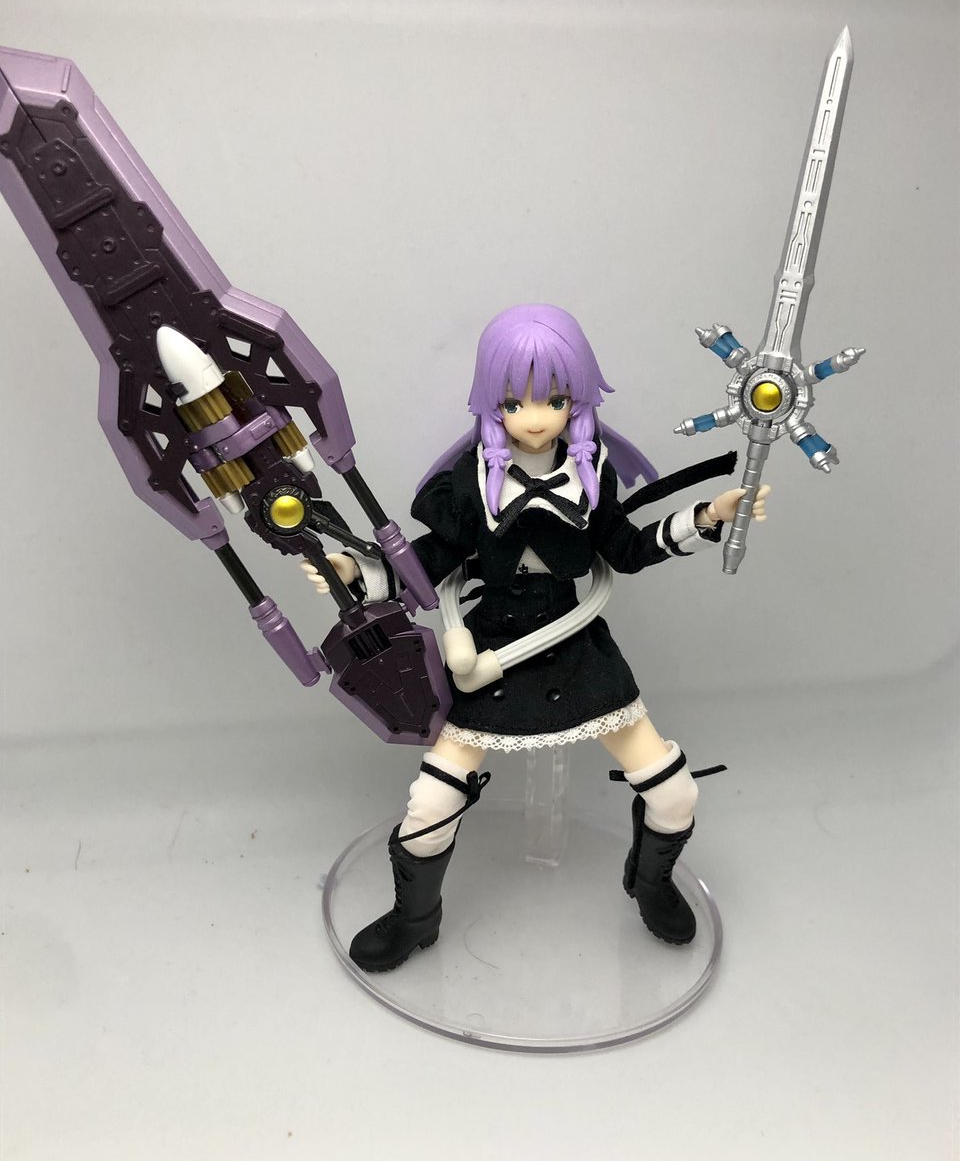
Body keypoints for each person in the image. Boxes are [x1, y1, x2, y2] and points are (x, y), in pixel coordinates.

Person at [304, 304, 769, 972]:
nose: (535, 416)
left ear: (576, 398)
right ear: (490, 401)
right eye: (513, 401)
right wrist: (359, 572)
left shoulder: (590, 473)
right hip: (490, 652)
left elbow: (628, 550)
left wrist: (706, 517)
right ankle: (415, 917)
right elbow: (428, 563)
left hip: (576, 647)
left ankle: (651, 883)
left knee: (674, 792)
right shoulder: (470, 485)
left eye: (553, 399)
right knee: (430, 804)